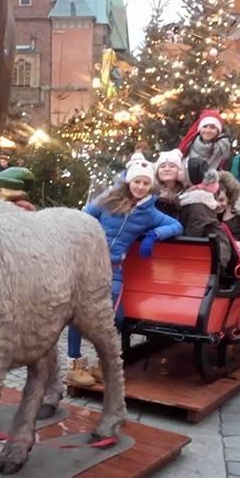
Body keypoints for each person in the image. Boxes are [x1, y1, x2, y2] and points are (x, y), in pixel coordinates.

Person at [66, 159, 184, 387]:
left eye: (145, 183)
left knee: (116, 317)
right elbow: (81, 218)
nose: (140, 187)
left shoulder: (150, 212)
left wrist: (154, 236)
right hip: (89, 265)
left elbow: (177, 226)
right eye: (137, 181)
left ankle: (103, 363)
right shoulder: (107, 201)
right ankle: (74, 364)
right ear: (130, 181)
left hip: (114, 270)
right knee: (79, 316)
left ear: (150, 186)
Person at [176, 158, 232, 269]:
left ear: (190, 177)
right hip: (206, 246)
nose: (178, 171)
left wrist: (184, 251)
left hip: (214, 251)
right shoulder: (191, 195)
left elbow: (195, 227)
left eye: (182, 170)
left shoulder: (198, 202)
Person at [154, 149, 186, 217]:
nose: (167, 169)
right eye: (162, 166)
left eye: (172, 166)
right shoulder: (152, 194)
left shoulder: (186, 194)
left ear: (179, 171)